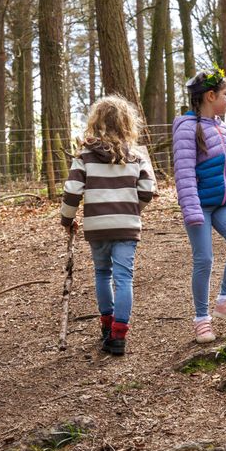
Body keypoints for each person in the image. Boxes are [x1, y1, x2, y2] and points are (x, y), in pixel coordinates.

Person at [61, 96, 156, 356]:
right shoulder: (136, 156)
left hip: (97, 227)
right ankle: (118, 336)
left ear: (96, 122)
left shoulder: (85, 155)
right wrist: (133, 209)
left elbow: (71, 192)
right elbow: (148, 190)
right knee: (124, 278)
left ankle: (106, 326)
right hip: (126, 225)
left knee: (103, 273)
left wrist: (67, 219)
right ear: (127, 124)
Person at [172, 69, 226, 344]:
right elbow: (184, 173)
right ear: (210, 95)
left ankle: (224, 300)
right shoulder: (187, 128)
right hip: (200, 205)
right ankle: (201, 319)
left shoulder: (224, 127)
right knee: (204, 259)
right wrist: (191, 209)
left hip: (223, 203)